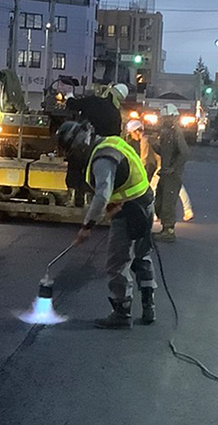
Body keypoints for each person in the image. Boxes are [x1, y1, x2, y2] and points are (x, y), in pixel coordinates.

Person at [60, 120, 156, 329]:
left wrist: (87, 226)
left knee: (117, 264)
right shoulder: (112, 142)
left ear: (79, 145)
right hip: (145, 203)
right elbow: (125, 176)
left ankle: (121, 314)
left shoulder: (102, 159)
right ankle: (149, 307)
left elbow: (102, 195)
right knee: (142, 256)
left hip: (130, 211)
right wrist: (116, 202)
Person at [152, 104, 193, 241]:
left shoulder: (176, 132)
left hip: (172, 175)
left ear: (171, 117)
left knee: (168, 202)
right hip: (165, 173)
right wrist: (154, 145)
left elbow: (185, 153)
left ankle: (168, 231)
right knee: (159, 201)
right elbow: (165, 152)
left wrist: (174, 168)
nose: (162, 120)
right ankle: (165, 227)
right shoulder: (166, 133)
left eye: (165, 118)